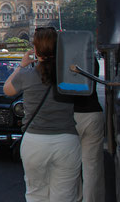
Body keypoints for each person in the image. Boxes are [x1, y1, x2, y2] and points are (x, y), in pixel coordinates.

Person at [4, 27, 81, 201]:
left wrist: (22, 65)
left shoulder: (26, 75)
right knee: (65, 196)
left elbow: (7, 89)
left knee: (36, 195)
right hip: (66, 142)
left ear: (36, 50)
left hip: (35, 144)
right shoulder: (70, 74)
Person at [74, 59, 104, 202]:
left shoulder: (62, 58)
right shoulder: (91, 58)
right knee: (92, 166)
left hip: (70, 114)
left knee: (72, 165)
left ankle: (76, 198)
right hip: (92, 111)